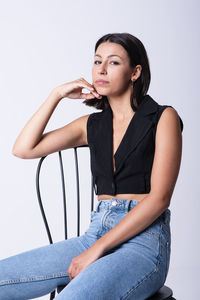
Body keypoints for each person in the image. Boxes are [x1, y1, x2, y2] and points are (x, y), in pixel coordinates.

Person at [0, 33, 183, 300]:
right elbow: (23, 149)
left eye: (113, 62)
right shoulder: (91, 125)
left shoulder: (162, 117)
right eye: (97, 61)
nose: (102, 69)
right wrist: (57, 95)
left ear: (135, 72)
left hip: (143, 242)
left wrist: (95, 251)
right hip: (95, 232)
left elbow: (159, 199)